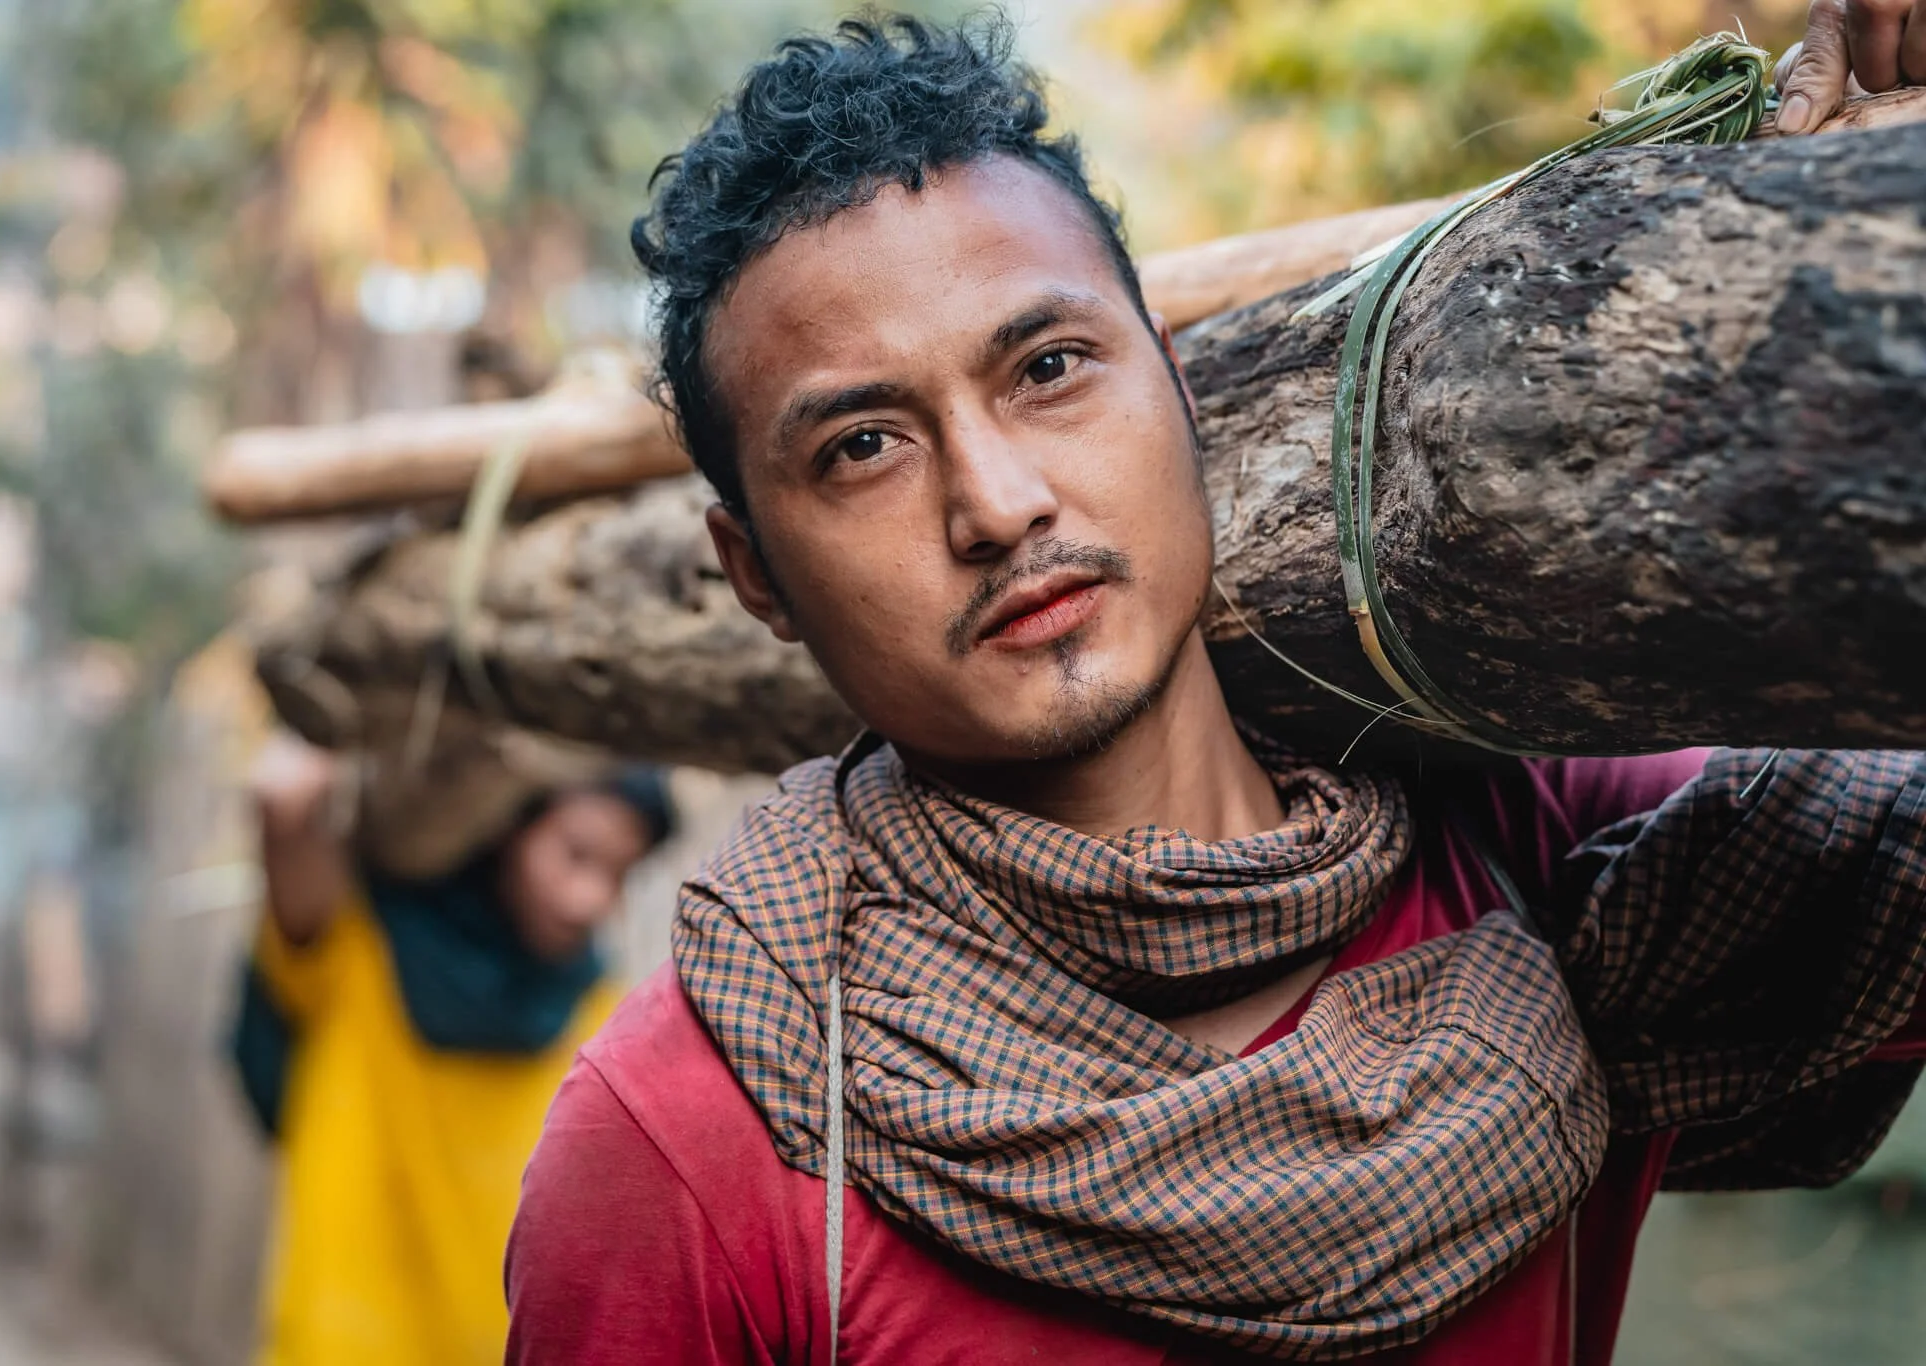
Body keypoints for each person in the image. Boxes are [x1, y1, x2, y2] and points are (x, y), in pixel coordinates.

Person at [504, 8, 1926, 1366]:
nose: (997, 504)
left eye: (1051, 366)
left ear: (1179, 382)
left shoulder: (1536, 839)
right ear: (753, 570)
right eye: (864, 447)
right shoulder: (686, 1142)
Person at [235, 731, 671, 1366]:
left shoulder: (601, 1017)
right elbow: (284, 793)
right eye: (575, 854)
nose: (591, 900)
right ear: (502, 834)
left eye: (619, 872)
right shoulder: (356, 951)